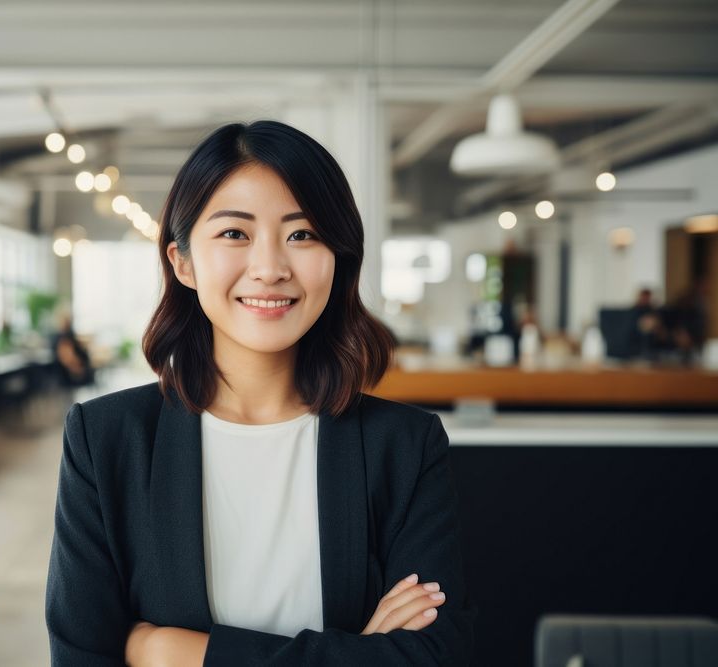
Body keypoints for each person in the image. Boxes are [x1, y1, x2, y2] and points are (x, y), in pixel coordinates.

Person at [45, 120, 476, 665]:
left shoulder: (405, 446)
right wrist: (361, 654)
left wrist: (173, 652)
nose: (270, 268)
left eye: (302, 234)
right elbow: (83, 656)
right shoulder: (105, 439)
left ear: (337, 258)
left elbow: (435, 658)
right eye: (234, 234)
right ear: (182, 262)